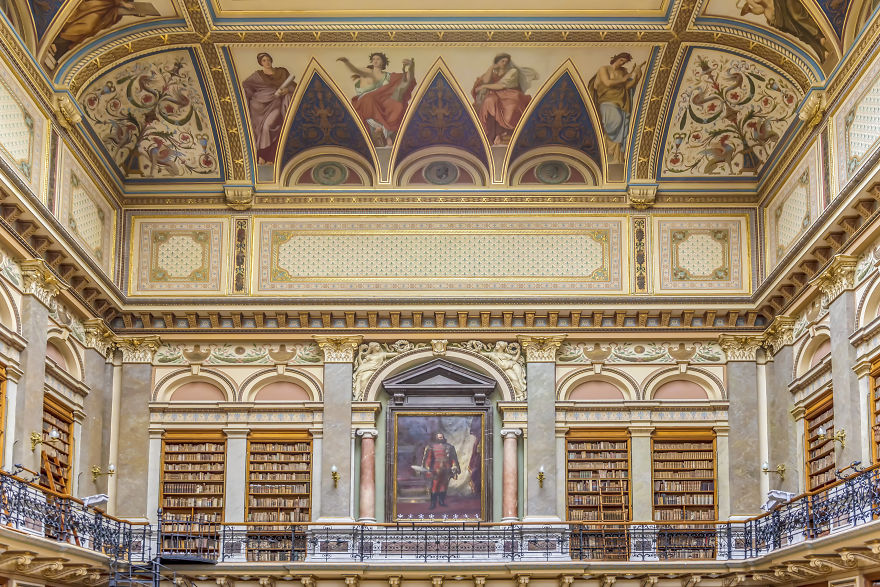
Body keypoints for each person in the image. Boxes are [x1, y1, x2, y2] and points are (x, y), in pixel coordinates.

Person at [337, 53, 416, 147]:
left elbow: (407, 79)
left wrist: (411, 66)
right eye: (373, 59)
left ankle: (385, 132)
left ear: (383, 62)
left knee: (395, 104)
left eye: (378, 59)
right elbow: (355, 70)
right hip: (367, 99)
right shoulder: (368, 72)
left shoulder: (388, 76)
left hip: (381, 99)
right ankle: (382, 129)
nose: (375, 61)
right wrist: (347, 62)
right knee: (369, 99)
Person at [50, 0, 158, 61]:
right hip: (97, 4)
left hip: (108, 8)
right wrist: (121, 3)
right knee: (86, 26)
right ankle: (56, 43)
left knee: (89, 29)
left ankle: (58, 49)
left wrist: (131, 7)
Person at [589, 53, 644, 165]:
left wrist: (637, 73)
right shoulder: (604, 69)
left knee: (620, 127)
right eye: (621, 60)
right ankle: (607, 151)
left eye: (624, 62)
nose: (622, 63)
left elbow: (627, 87)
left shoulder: (623, 72)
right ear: (616, 58)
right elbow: (607, 83)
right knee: (615, 121)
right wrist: (625, 78)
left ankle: (615, 157)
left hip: (621, 102)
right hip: (606, 101)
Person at [472, 53, 538, 145]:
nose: (504, 63)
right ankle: (487, 133)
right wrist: (491, 68)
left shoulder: (512, 72)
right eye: (502, 61)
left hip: (510, 95)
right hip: (496, 95)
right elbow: (485, 80)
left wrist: (484, 86)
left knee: (511, 108)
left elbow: (501, 85)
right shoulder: (494, 72)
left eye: (506, 61)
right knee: (489, 100)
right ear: (497, 62)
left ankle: (502, 134)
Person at [242, 53, 295, 164]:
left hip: (276, 104)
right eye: (264, 60)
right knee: (260, 131)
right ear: (261, 63)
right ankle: (263, 158)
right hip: (260, 108)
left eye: (268, 59)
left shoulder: (282, 72)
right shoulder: (257, 75)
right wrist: (254, 99)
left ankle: (268, 156)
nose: (267, 62)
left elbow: (293, 86)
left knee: (267, 127)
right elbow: (246, 85)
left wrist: (287, 90)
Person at [738, 0, 829, 63]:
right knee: (799, 33)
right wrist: (750, 10)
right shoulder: (750, 1)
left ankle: (817, 34)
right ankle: (820, 49)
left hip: (781, 3)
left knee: (797, 17)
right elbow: (760, 9)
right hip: (777, 15)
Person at [422, 432, 460, 509]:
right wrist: (428, 467)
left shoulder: (450, 447)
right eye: (439, 437)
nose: (441, 438)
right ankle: (433, 504)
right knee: (435, 486)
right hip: (436, 470)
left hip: (446, 469)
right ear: (436, 438)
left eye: (441, 437)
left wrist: (454, 466)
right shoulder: (431, 447)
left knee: (444, 486)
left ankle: (441, 502)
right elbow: (428, 459)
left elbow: (453, 458)